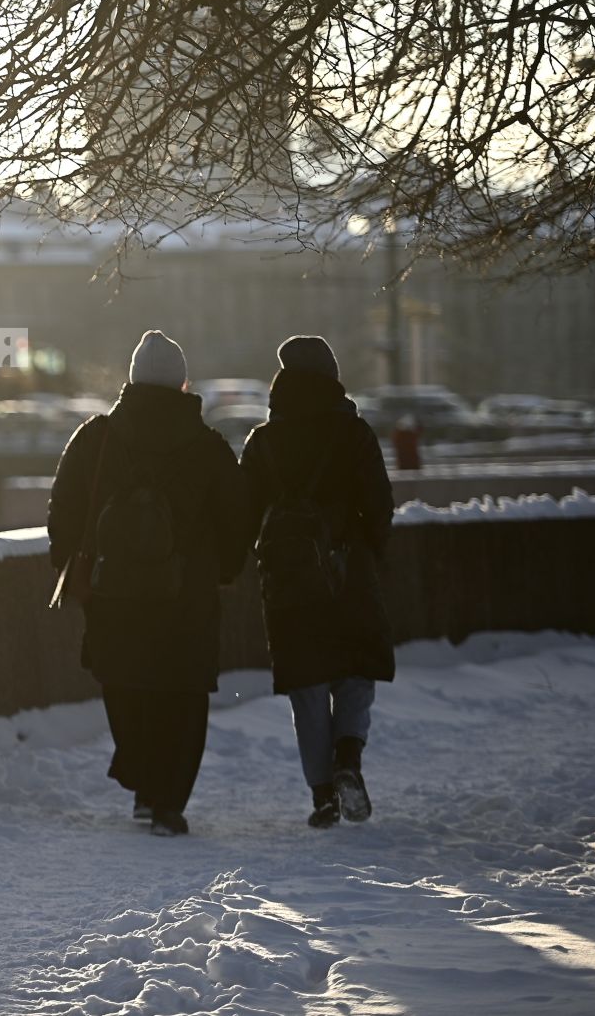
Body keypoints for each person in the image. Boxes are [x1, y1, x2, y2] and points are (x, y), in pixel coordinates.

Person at [48, 330, 250, 836]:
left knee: (124, 681)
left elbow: (65, 506)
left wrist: (66, 560)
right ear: (183, 383)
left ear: (132, 379)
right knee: (183, 695)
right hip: (186, 594)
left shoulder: (95, 437)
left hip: (113, 589)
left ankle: (141, 778)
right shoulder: (208, 446)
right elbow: (236, 518)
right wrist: (222, 570)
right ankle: (167, 802)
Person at [240, 335, 396, 829]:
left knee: (306, 686)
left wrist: (272, 554)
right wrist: (367, 550)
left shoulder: (263, 440)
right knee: (353, 671)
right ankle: (348, 760)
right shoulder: (355, 435)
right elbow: (379, 506)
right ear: (332, 377)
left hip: (289, 578)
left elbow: (244, 513)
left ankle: (323, 795)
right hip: (349, 569)